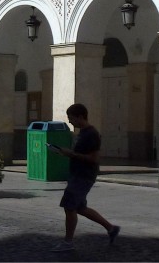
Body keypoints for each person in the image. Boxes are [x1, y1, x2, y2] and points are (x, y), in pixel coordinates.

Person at [49, 103, 120, 252]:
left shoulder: (91, 134)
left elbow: (94, 159)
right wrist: (64, 152)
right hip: (77, 174)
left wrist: (71, 154)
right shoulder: (82, 132)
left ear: (80, 116)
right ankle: (111, 228)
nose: (69, 121)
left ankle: (68, 242)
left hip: (83, 176)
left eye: (71, 118)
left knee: (69, 207)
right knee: (80, 208)